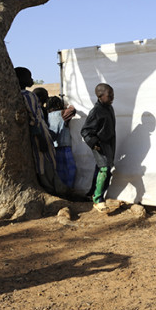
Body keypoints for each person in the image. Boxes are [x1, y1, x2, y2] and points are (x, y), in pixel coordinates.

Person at [14, 67, 68, 198]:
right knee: (46, 162)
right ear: (22, 80)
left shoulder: (18, 96)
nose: (32, 80)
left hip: (36, 135)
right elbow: (34, 118)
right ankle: (53, 190)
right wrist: (41, 137)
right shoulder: (29, 96)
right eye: (29, 77)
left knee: (42, 163)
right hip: (40, 134)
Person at [80, 83, 116, 213]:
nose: (112, 97)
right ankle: (98, 199)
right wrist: (93, 142)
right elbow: (85, 131)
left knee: (105, 169)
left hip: (109, 144)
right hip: (99, 145)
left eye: (113, 95)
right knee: (104, 169)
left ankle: (93, 192)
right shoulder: (96, 111)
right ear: (100, 96)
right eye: (110, 95)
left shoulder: (109, 108)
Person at [47, 96, 77, 190]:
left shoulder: (47, 115)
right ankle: (68, 189)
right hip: (64, 145)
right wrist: (69, 105)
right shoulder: (62, 113)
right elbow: (72, 110)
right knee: (69, 170)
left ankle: (60, 189)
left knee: (58, 171)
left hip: (54, 145)